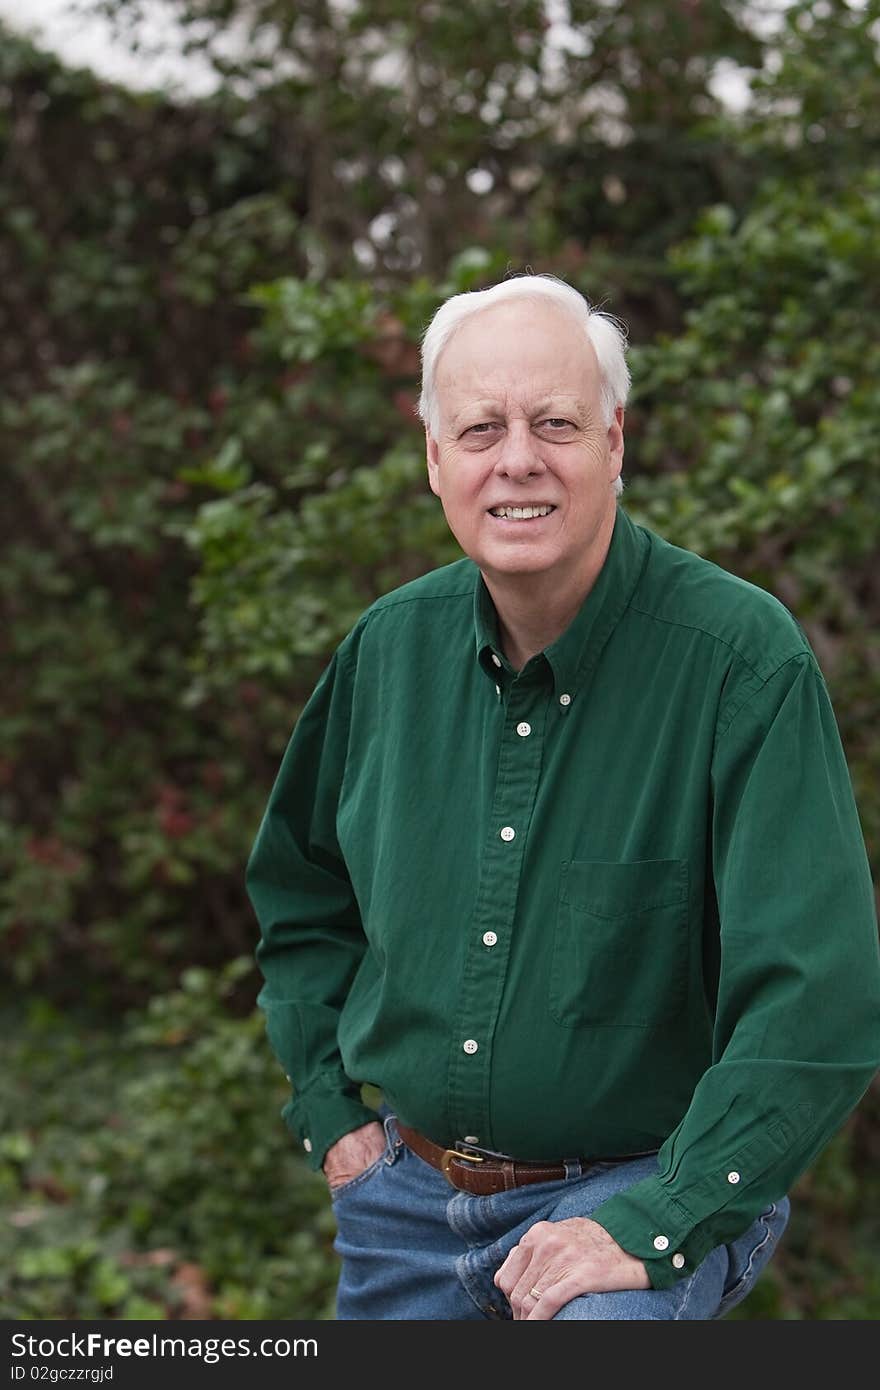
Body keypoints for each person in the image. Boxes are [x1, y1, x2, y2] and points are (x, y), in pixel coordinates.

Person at [246, 273, 880, 1320]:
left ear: (615, 442)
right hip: (402, 1203)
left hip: (632, 1191)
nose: (518, 459)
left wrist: (659, 1217)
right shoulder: (385, 654)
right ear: (434, 458)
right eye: (481, 427)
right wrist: (331, 1116)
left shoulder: (738, 663)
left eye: (555, 423)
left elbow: (816, 997)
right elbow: (299, 894)